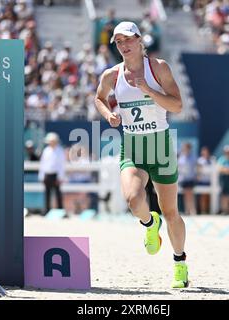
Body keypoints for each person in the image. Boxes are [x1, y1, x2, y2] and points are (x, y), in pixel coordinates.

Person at [94, 21, 188, 288]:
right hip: (133, 147)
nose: (123, 46)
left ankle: (180, 262)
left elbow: (178, 105)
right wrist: (108, 114)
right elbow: (99, 98)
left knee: (171, 212)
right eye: (118, 42)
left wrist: (148, 89)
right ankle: (149, 224)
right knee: (133, 199)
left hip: (160, 147)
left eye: (127, 40)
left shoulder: (158, 68)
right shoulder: (111, 75)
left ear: (139, 41)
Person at [38, 132, 65, 215]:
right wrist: (41, 176)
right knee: (47, 194)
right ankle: (47, 211)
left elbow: (61, 165)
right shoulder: (46, 151)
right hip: (47, 174)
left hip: (55, 175)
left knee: (58, 193)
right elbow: (43, 164)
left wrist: (60, 177)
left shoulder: (60, 151)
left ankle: (60, 211)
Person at [178, 142, 197, 215]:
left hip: (191, 178)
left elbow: (197, 166)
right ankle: (187, 210)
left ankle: (192, 210)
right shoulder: (181, 157)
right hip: (183, 178)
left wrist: (197, 174)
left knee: (190, 195)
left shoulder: (193, 157)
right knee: (186, 195)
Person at [217, 145, 229, 214]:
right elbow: (219, 168)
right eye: (226, 152)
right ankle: (224, 210)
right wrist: (228, 170)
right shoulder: (221, 159)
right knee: (224, 195)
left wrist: (226, 170)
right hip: (224, 179)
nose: (228, 153)